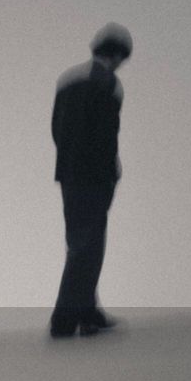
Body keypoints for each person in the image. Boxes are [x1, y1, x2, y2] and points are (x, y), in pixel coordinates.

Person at [49, 22, 132, 338]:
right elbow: (107, 134)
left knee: (79, 242)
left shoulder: (66, 79)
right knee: (89, 245)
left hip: (68, 172)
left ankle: (86, 309)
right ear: (117, 54)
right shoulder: (109, 83)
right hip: (95, 176)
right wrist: (111, 171)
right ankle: (66, 319)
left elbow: (57, 129)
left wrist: (68, 160)